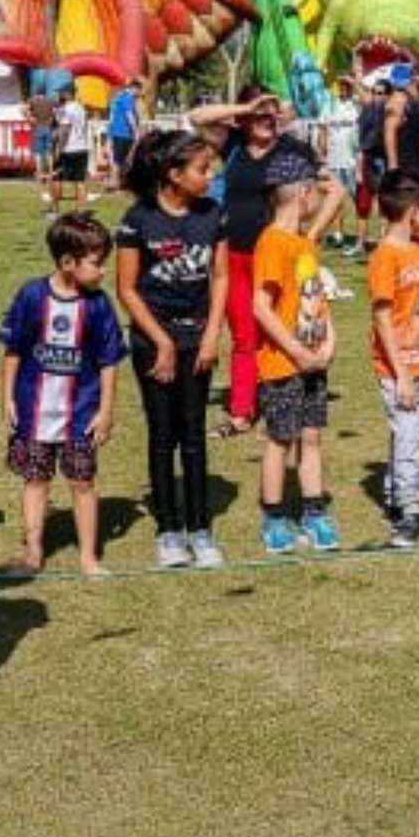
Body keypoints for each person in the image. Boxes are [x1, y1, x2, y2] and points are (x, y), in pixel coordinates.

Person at [189, 86, 342, 436]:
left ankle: (288, 401)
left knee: (282, 328)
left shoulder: (294, 150)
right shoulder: (232, 144)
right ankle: (243, 411)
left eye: (272, 112)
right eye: (259, 113)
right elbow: (196, 118)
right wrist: (246, 107)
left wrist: (312, 234)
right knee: (244, 336)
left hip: (276, 256)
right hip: (235, 256)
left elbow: (336, 190)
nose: (266, 118)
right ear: (243, 118)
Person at [115, 131, 229, 571]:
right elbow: (126, 288)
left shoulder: (212, 214)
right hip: (152, 341)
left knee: (194, 432)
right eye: (202, 169)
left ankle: (201, 529)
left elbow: (219, 277)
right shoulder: (138, 220)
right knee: (163, 435)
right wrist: (160, 342)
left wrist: (211, 333)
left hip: (196, 338)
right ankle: (169, 530)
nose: (211, 175)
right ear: (172, 175)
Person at [0, 212, 126, 577]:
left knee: (82, 483)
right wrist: (8, 398)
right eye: (97, 263)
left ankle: (88, 556)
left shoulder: (99, 305)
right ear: (68, 262)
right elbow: (13, 351)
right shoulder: (32, 296)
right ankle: (32, 552)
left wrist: (106, 410)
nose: (102, 271)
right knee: (36, 480)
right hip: (34, 411)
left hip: (80, 415)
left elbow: (109, 361)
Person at [252, 145, 340, 553]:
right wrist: (295, 351)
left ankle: (314, 511)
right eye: (316, 193)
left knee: (312, 438)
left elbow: (315, 299)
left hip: (312, 362)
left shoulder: (305, 244)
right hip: (282, 364)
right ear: (304, 193)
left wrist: (328, 340)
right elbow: (261, 307)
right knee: (280, 440)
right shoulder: (273, 242)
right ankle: (273, 516)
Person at [368, 170, 419, 548]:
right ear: (414, 209)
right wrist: (400, 373)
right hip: (399, 367)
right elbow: (382, 318)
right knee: (407, 440)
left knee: (411, 434)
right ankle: (409, 514)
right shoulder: (386, 255)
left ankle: (398, 502)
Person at [318, 76, 360, 245]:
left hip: (353, 161)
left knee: (358, 200)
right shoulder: (329, 105)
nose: (343, 88)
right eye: (341, 85)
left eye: (347, 86)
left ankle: (359, 235)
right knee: (334, 198)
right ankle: (337, 233)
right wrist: (322, 153)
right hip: (334, 160)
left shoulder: (357, 105)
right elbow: (322, 129)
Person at [349, 79, 389, 256]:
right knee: (362, 203)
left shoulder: (389, 112)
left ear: (388, 95)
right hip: (367, 158)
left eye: (380, 93)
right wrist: (359, 163)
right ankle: (360, 243)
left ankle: (383, 243)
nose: (376, 96)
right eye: (374, 92)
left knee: (384, 203)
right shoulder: (366, 111)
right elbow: (359, 139)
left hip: (385, 160)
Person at [50, 86, 96, 209]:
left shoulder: (67, 109)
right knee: (80, 181)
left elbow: (65, 131)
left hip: (68, 148)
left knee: (56, 177)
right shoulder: (81, 108)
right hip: (82, 148)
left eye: (61, 93)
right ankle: (80, 210)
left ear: (67, 94)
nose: (59, 95)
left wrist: (58, 149)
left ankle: (54, 209)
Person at [383, 62, 419, 175]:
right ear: (414, 77)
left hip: (417, 162)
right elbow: (389, 130)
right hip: (403, 165)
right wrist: (393, 165)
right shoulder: (400, 99)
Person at [107, 77, 143, 188]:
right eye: (139, 90)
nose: (139, 93)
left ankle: (118, 182)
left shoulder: (119, 97)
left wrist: (109, 133)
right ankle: (115, 183)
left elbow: (112, 117)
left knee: (118, 159)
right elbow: (129, 116)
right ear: (135, 88)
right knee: (121, 160)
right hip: (124, 133)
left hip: (116, 133)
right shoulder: (128, 98)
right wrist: (136, 132)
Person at [27, 89, 57, 203]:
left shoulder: (33, 100)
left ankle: (39, 172)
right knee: (49, 152)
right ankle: (50, 171)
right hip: (48, 128)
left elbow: (23, 109)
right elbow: (55, 113)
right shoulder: (50, 101)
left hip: (38, 127)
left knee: (38, 153)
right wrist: (51, 121)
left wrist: (30, 118)